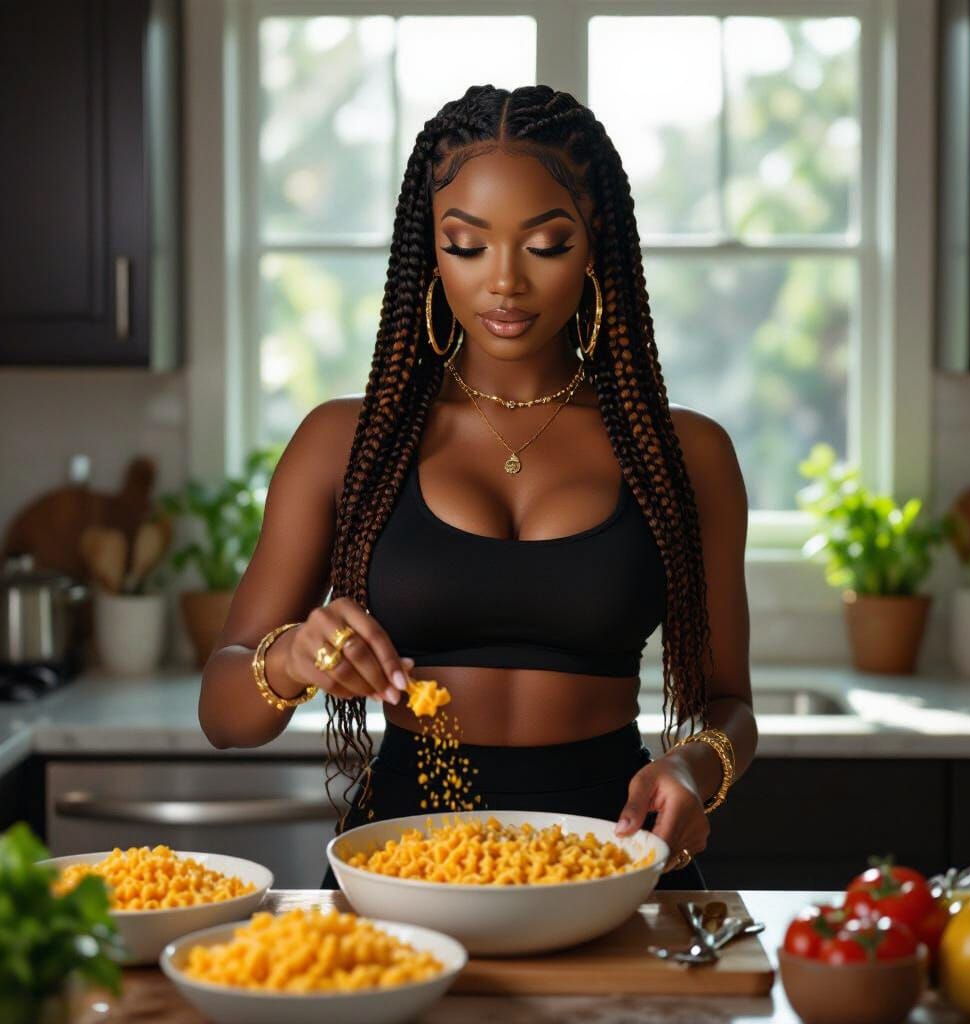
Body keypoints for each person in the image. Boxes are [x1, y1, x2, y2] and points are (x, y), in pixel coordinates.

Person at [198, 84, 757, 892]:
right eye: (467, 246)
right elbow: (224, 712)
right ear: (430, 249)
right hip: (402, 867)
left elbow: (729, 703)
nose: (505, 283)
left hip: (614, 858)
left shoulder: (686, 452)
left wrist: (696, 767)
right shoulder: (344, 443)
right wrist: (291, 657)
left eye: (545, 245)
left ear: (597, 245)